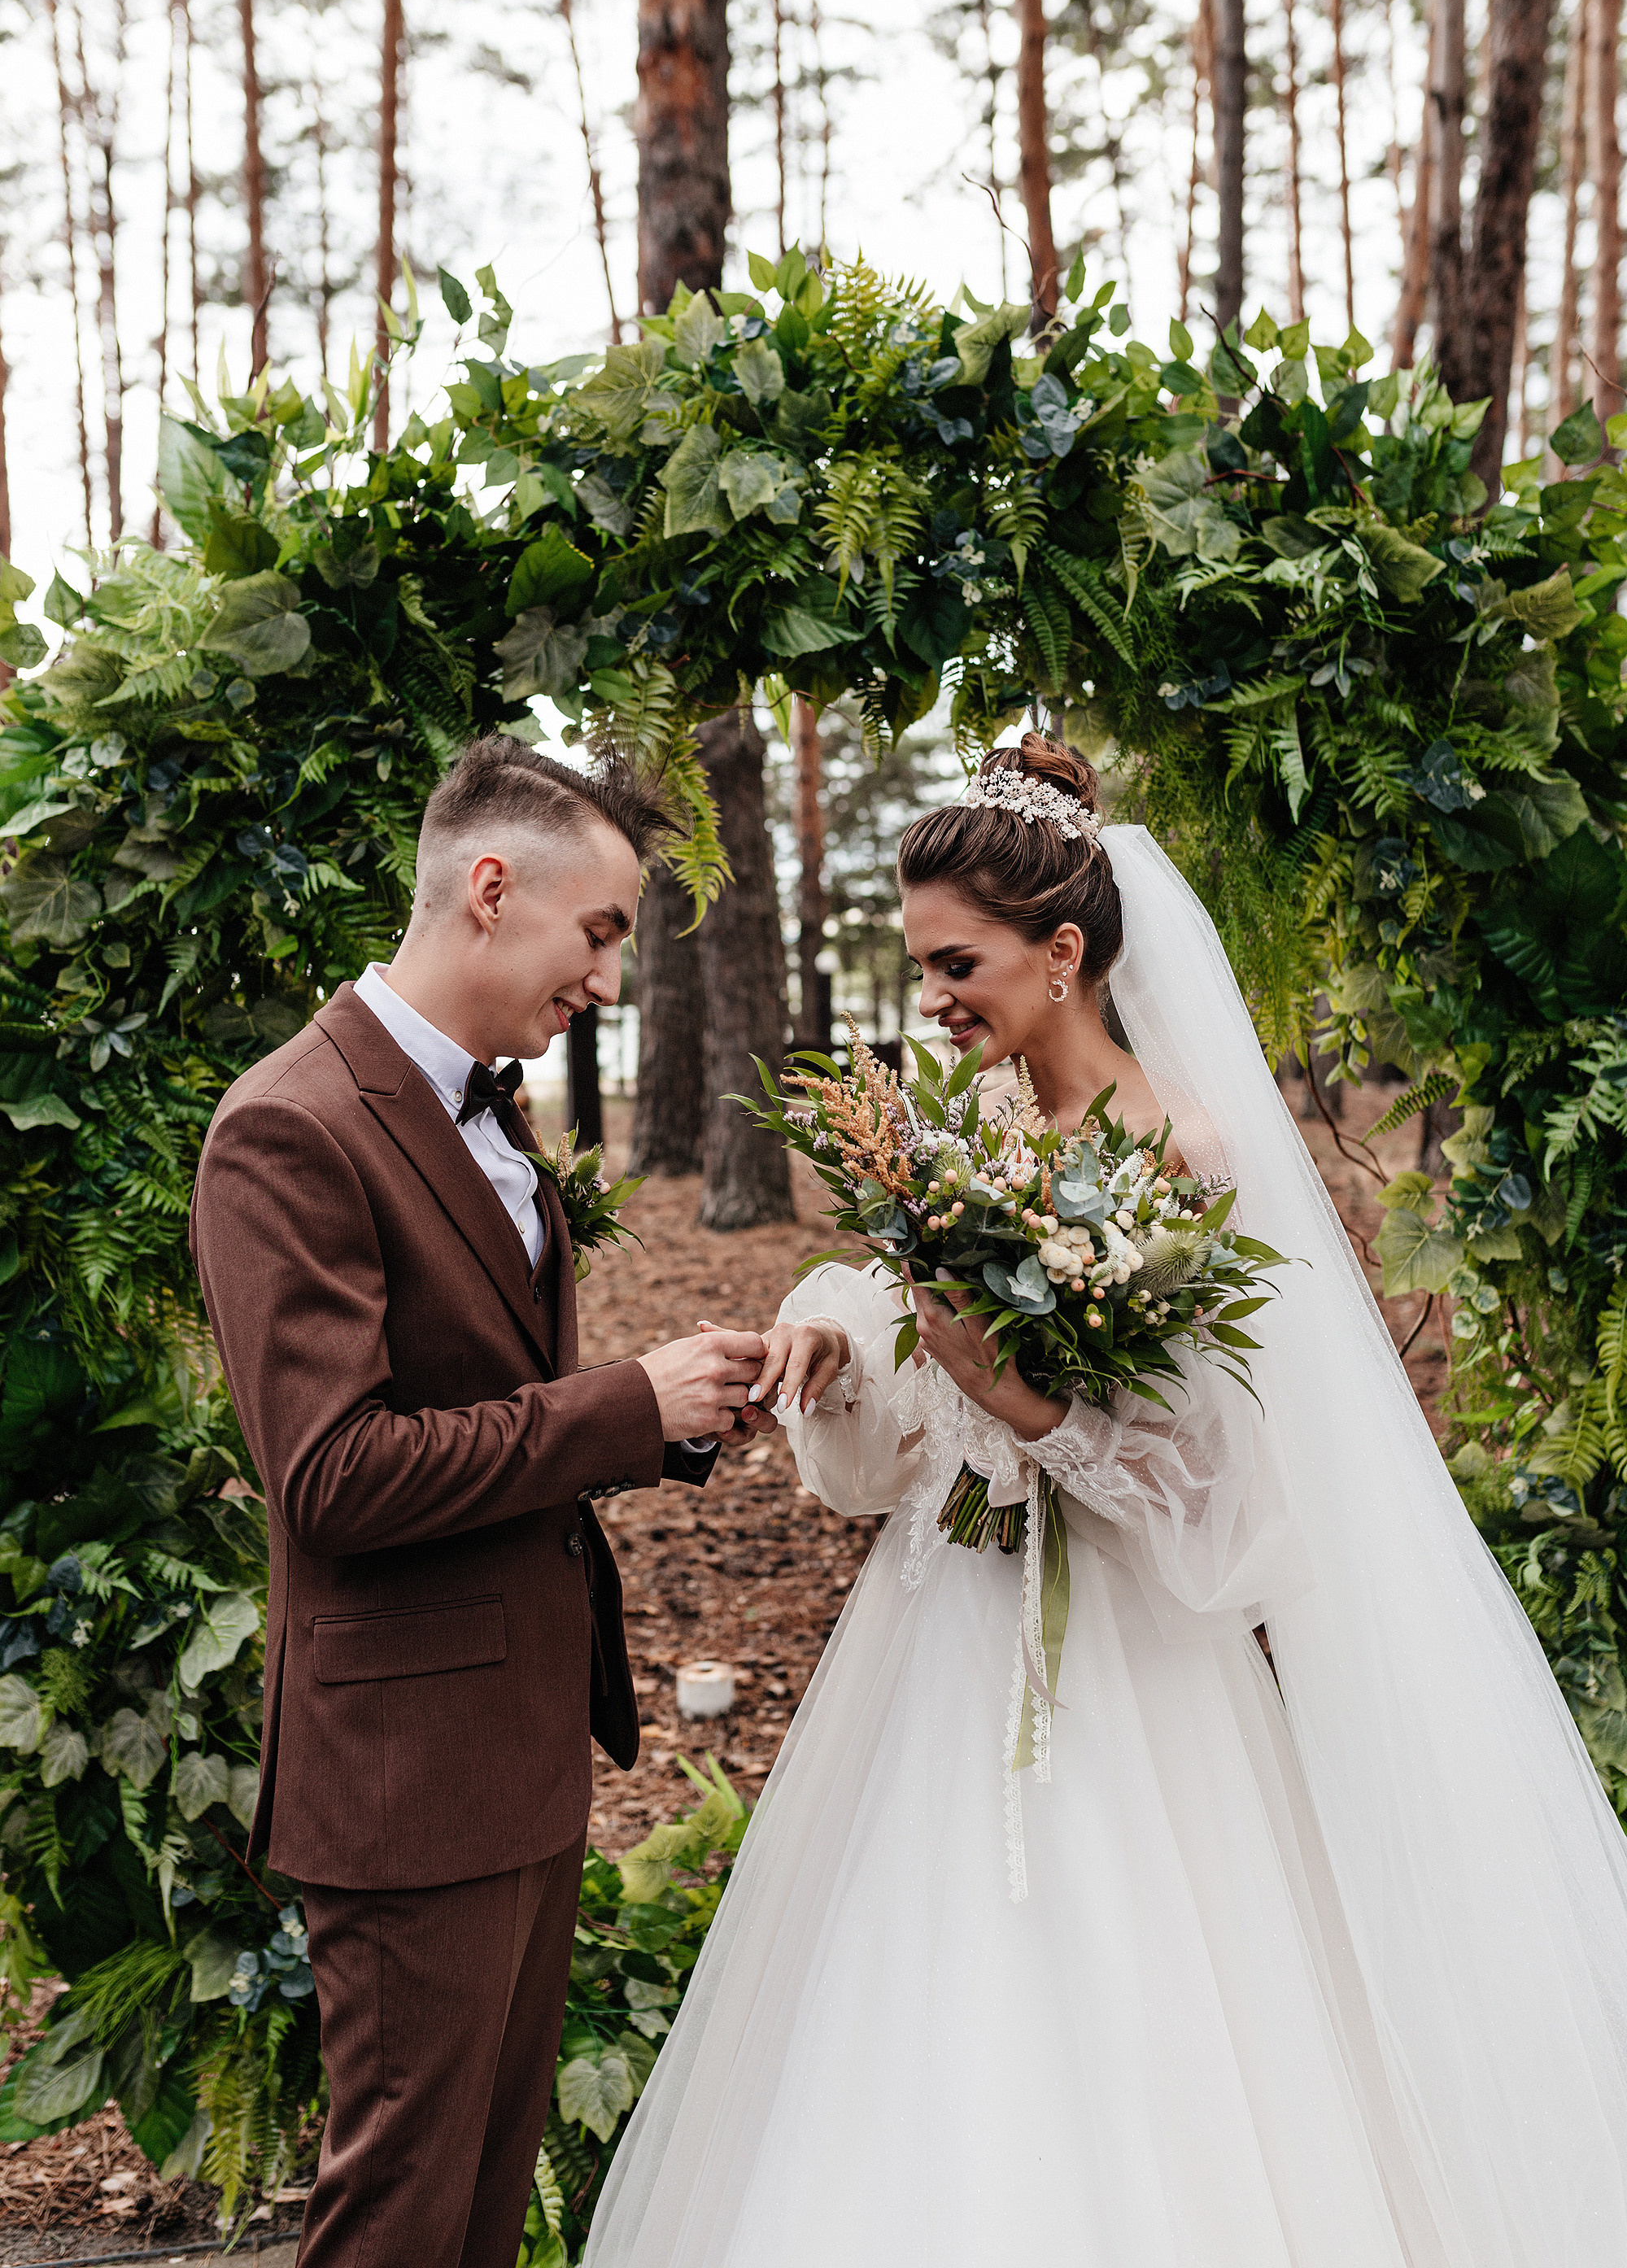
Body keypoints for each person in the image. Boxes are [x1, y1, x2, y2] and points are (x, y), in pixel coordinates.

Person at [587, 733, 1627, 2268]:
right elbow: (900, 1298)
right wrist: (834, 1322)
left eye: (957, 963)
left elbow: (1221, 1484)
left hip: (1134, 1665)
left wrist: (1030, 1405)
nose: (932, 999)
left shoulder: (1191, 1161)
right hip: (940, 1631)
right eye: (919, 963)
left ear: (1063, 952)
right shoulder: (959, 1130)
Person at [190, 736, 769, 2268]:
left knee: (481, 2210)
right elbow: (335, 1477)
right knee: (397, 2219)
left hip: (514, 1741)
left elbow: (498, 1400)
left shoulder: (489, 1107)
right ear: (492, 889)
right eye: (601, 935)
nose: (607, 980)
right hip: (401, 1777)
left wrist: (673, 1414)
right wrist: (617, 1406)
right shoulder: (289, 1127)